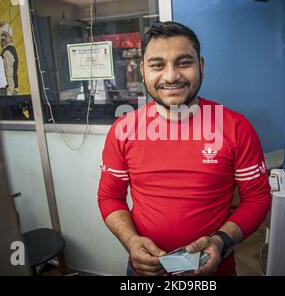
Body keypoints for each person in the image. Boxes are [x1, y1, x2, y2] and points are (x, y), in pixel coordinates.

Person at [98, 21, 271, 276]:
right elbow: (110, 197)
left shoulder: (236, 128)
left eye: (184, 62)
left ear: (201, 66)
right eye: (157, 65)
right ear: (143, 70)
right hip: (144, 272)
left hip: (214, 271)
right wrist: (131, 241)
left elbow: (257, 198)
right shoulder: (123, 131)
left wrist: (221, 240)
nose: (171, 76)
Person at [0, 21, 19, 96]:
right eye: (0, 36)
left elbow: (9, 74)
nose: (2, 38)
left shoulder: (7, 52)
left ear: (10, 37)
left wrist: (10, 92)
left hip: (9, 91)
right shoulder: (11, 49)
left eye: (4, 35)